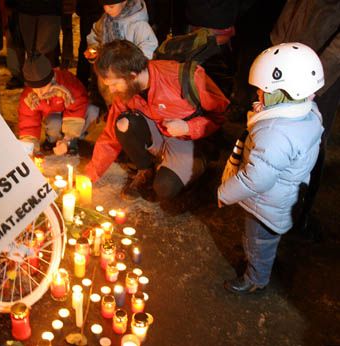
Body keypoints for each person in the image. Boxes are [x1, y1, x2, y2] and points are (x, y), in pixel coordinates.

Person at [218, 43, 324, 294]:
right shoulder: (306, 113)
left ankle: (256, 279)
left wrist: (224, 192)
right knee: (263, 242)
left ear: (282, 92)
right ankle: (258, 261)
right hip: (282, 199)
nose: (257, 94)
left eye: (262, 90)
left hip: (266, 204)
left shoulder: (274, 133)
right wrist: (266, 111)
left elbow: (255, 179)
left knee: (258, 242)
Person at [84, 40, 229, 201]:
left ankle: (200, 163)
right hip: (159, 134)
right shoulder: (127, 90)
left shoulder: (182, 77)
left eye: (114, 84)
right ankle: (145, 170)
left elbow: (220, 115)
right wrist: (91, 174)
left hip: (188, 140)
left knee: (164, 188)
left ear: (132, 76)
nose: (111, 90)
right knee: (123, 123)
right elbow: (110, 135)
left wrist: (188, 127)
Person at [270, 0, 340, 236]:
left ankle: (298, 215)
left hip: (320, 73)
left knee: (311, 140)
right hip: (287, 56)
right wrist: (277, 44)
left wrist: (317, 75)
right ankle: (270, 211)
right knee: (275, 130)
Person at [18, 54, 98, 156]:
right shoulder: (29, 97)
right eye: (36, 89)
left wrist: (67, 139)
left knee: (92, 111)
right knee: (54, 122)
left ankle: (73, 141)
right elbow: (28, 123)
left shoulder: (68, 84)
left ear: (51, 80)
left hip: (73, 116)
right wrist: (28, 149)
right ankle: (52, 140)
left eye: (43, 88)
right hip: (53, 117)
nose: (40, 93)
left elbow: (78, 107)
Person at [85, 0, 158, 61]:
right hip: (108, 71)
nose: (107, 10)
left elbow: (148, 46)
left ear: (124, 2)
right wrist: (94, 49)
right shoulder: (105, 19)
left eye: (111, 6)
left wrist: (130, 64)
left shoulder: (138, 23)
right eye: (104, 5)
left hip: (128, 73)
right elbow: (96, 33)